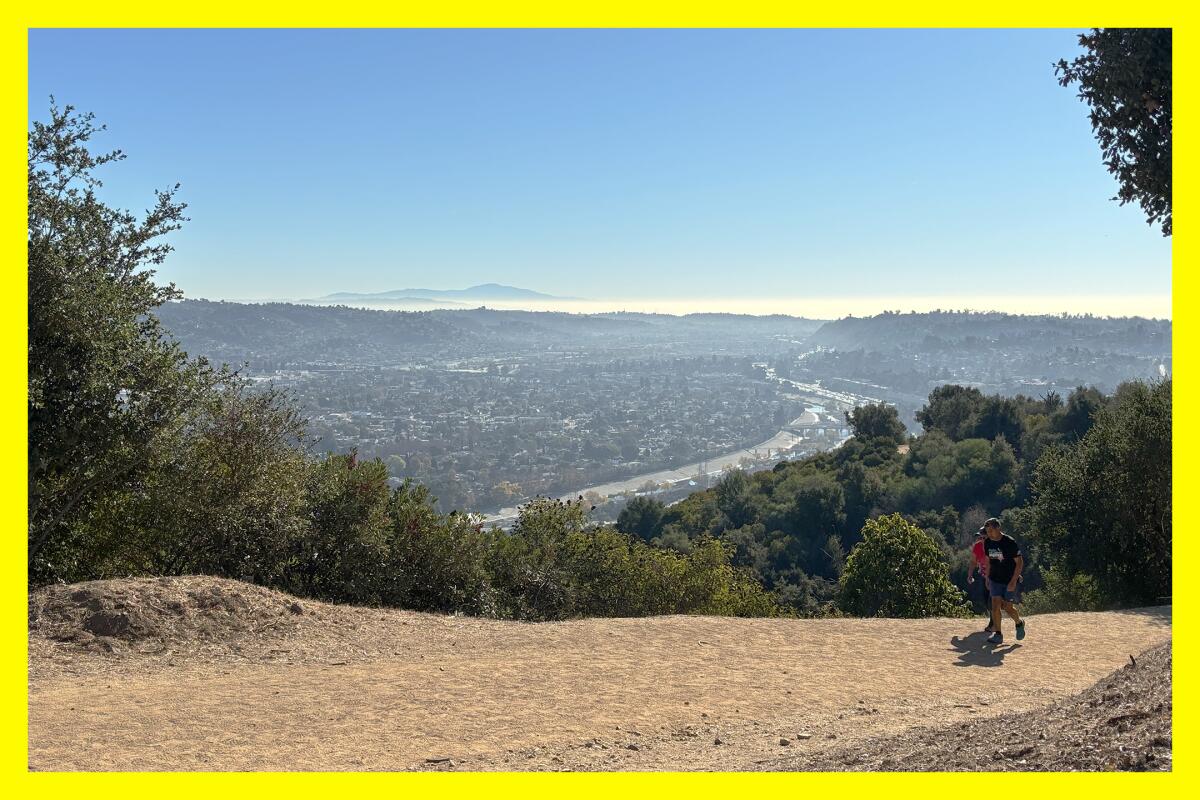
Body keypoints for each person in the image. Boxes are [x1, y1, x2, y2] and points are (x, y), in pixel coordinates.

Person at [982, 517, 1025, 644]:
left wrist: (1013, 581)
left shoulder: (1009, 542)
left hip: (1009, 580)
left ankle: (1019, 623)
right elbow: (988, 561)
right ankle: (998, 634)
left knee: (1007, 607)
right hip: (995, 579)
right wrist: (987, 577)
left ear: (998, 528)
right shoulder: (988, 542)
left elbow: (1019, 562)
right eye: (987, 531)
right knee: (995, 606)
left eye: (991, 531)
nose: (989, 534)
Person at [967, 527, 993, 632]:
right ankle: (994, 618)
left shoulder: (995, 546)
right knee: (986, 600)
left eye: (984, 537)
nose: (982, 539)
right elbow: (973, 561)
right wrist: (970, 575)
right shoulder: (977, 547)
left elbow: (1004, 561)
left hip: (996, 576)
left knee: (993, 600)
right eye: (980, 537)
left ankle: (993, 623)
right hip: (983, 576)